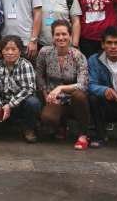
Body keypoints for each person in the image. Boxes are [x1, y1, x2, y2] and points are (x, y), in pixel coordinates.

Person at [35, 20, 90, 150]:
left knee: (79, 96)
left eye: (64, 34)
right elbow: (39, 76)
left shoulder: (78, 56)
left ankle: (83, 135)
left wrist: (60, 88)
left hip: (73, 97)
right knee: (48, 118)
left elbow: (83, 84)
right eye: (57, 34)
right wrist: (46, 95)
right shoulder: (45, 52)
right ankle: (61, 126)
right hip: (54, 97)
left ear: (70, 35)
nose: (61, 38)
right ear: (52, 36)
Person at [0, 35, 42, 143]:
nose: (10, 52)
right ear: (1, 51)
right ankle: (5, 126)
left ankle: (28, 128)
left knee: (33, 103)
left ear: (20, 51)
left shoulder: (25, 65)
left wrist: (10, 105)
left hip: (19, 104)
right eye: (6, 49)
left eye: (13, 49)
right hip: (3, 103)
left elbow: (28, 89)